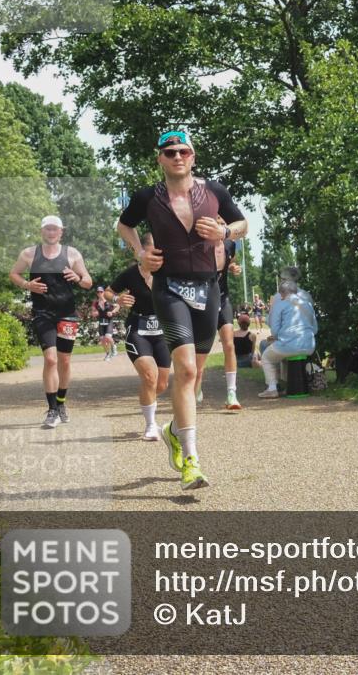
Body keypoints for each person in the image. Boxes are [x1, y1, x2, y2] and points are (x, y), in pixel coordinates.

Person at [117, 130, 246, 490]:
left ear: (193, 157)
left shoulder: (215, 191)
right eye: (170, 152)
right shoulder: (147, 197)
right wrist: (139, 253)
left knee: (197, 373)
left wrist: (224, 234)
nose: (177, 157)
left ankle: (174, 431)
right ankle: (191, 460)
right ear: (160, 158)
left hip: (208, 289)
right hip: (169, 287)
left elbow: (243, 224)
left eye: (183, 151)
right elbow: (123, 225)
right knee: (185, 370)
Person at [9, 215, 93, 427]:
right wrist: (27, 285)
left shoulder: (72, 254)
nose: (51, 232)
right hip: (42, 313)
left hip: (67, 314)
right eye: (47, 229)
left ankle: (61, 402)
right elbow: (14, 274)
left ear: (61, 232)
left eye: (55, 229)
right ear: (42, 231)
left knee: (64, 361)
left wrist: (78, 278)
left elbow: (88, 282)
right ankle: (52, 409)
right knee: (51, 360)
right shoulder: (29, 254)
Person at [108, 233, 171, 440]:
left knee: (160, 384)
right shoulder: (130, 274)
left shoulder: (168, 272)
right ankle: (151, 425)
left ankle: (147, 395)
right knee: (149, 376)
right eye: (154, 251)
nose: (157, 255)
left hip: (162, 332)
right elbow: (108, 292)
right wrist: (118, 298)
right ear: (142, 251)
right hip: (138, 329)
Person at [193, 220, 243, 410]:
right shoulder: (201, 247)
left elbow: (231, 261)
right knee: (201, 352)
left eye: (224, 224)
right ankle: (196, 389)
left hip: (223, 299)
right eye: (218, 223)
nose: (221, 227)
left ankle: (232, 393)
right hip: (203, 301)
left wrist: (233, 268)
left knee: (229, 344)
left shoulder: (231, 244)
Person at [257, 267, 317, 399]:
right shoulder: (306, 299)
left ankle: (272, 388)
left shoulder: (279, 299)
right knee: (285, 352)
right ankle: (291, 385)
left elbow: (274, 327)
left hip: (290, 343)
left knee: (267, 356)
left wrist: (278, 337)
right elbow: (315, 328)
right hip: (309, 344)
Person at [91, 286, 120, 360]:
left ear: (103, 292)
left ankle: (114, 348)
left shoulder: (109, 301)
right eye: (98, 292)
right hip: (101, 321)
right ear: (96, 293)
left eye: (101, 292)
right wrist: (94, 313)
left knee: (107, 337)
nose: (99, 293)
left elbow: (118, 306)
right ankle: (108, 354)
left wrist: (112, 312)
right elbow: (93, 312)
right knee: (102, 339)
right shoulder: (96, 303)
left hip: (109, 321)